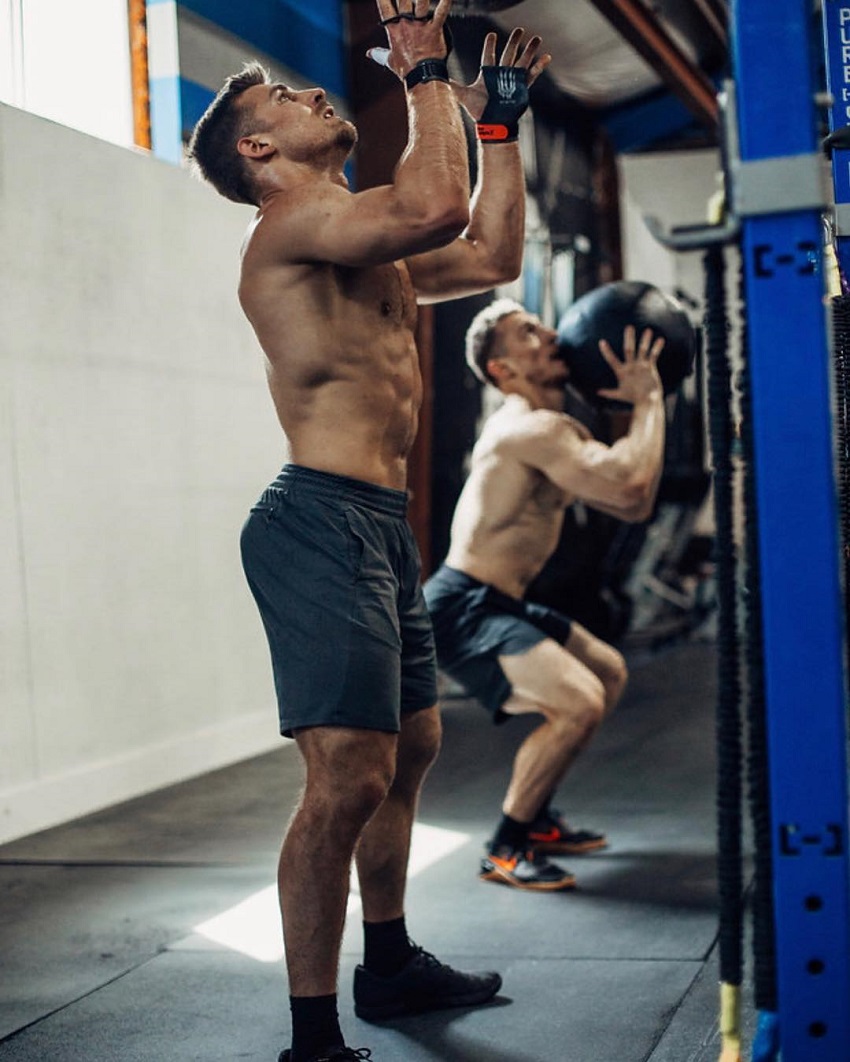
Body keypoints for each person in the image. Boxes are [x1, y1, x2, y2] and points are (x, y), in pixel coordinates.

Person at [187, 2, 550, 1059]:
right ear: (258, 150)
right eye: (286, 100)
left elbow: (486, 249)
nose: (313, 94)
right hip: (317, 522)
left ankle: (388, 966)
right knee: (345, 777)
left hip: (381, 525)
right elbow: (435, 206)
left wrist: (499, 129)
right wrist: (423, 68)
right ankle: (313, 1037)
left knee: (409, 750)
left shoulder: (359, 239)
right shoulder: (291, 226)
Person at [423, 299, 667, 891]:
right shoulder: (528, 430)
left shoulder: (554, 428)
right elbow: (634, 488)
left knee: (605, 672)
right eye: (528, 333)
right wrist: (651, 400)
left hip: (498, 600)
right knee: (578, 702)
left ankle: (539, 819)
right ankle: (506, 847)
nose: (551, 335)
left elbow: (631, 498)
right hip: (463, 605)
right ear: (502, 370)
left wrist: (644, 408)